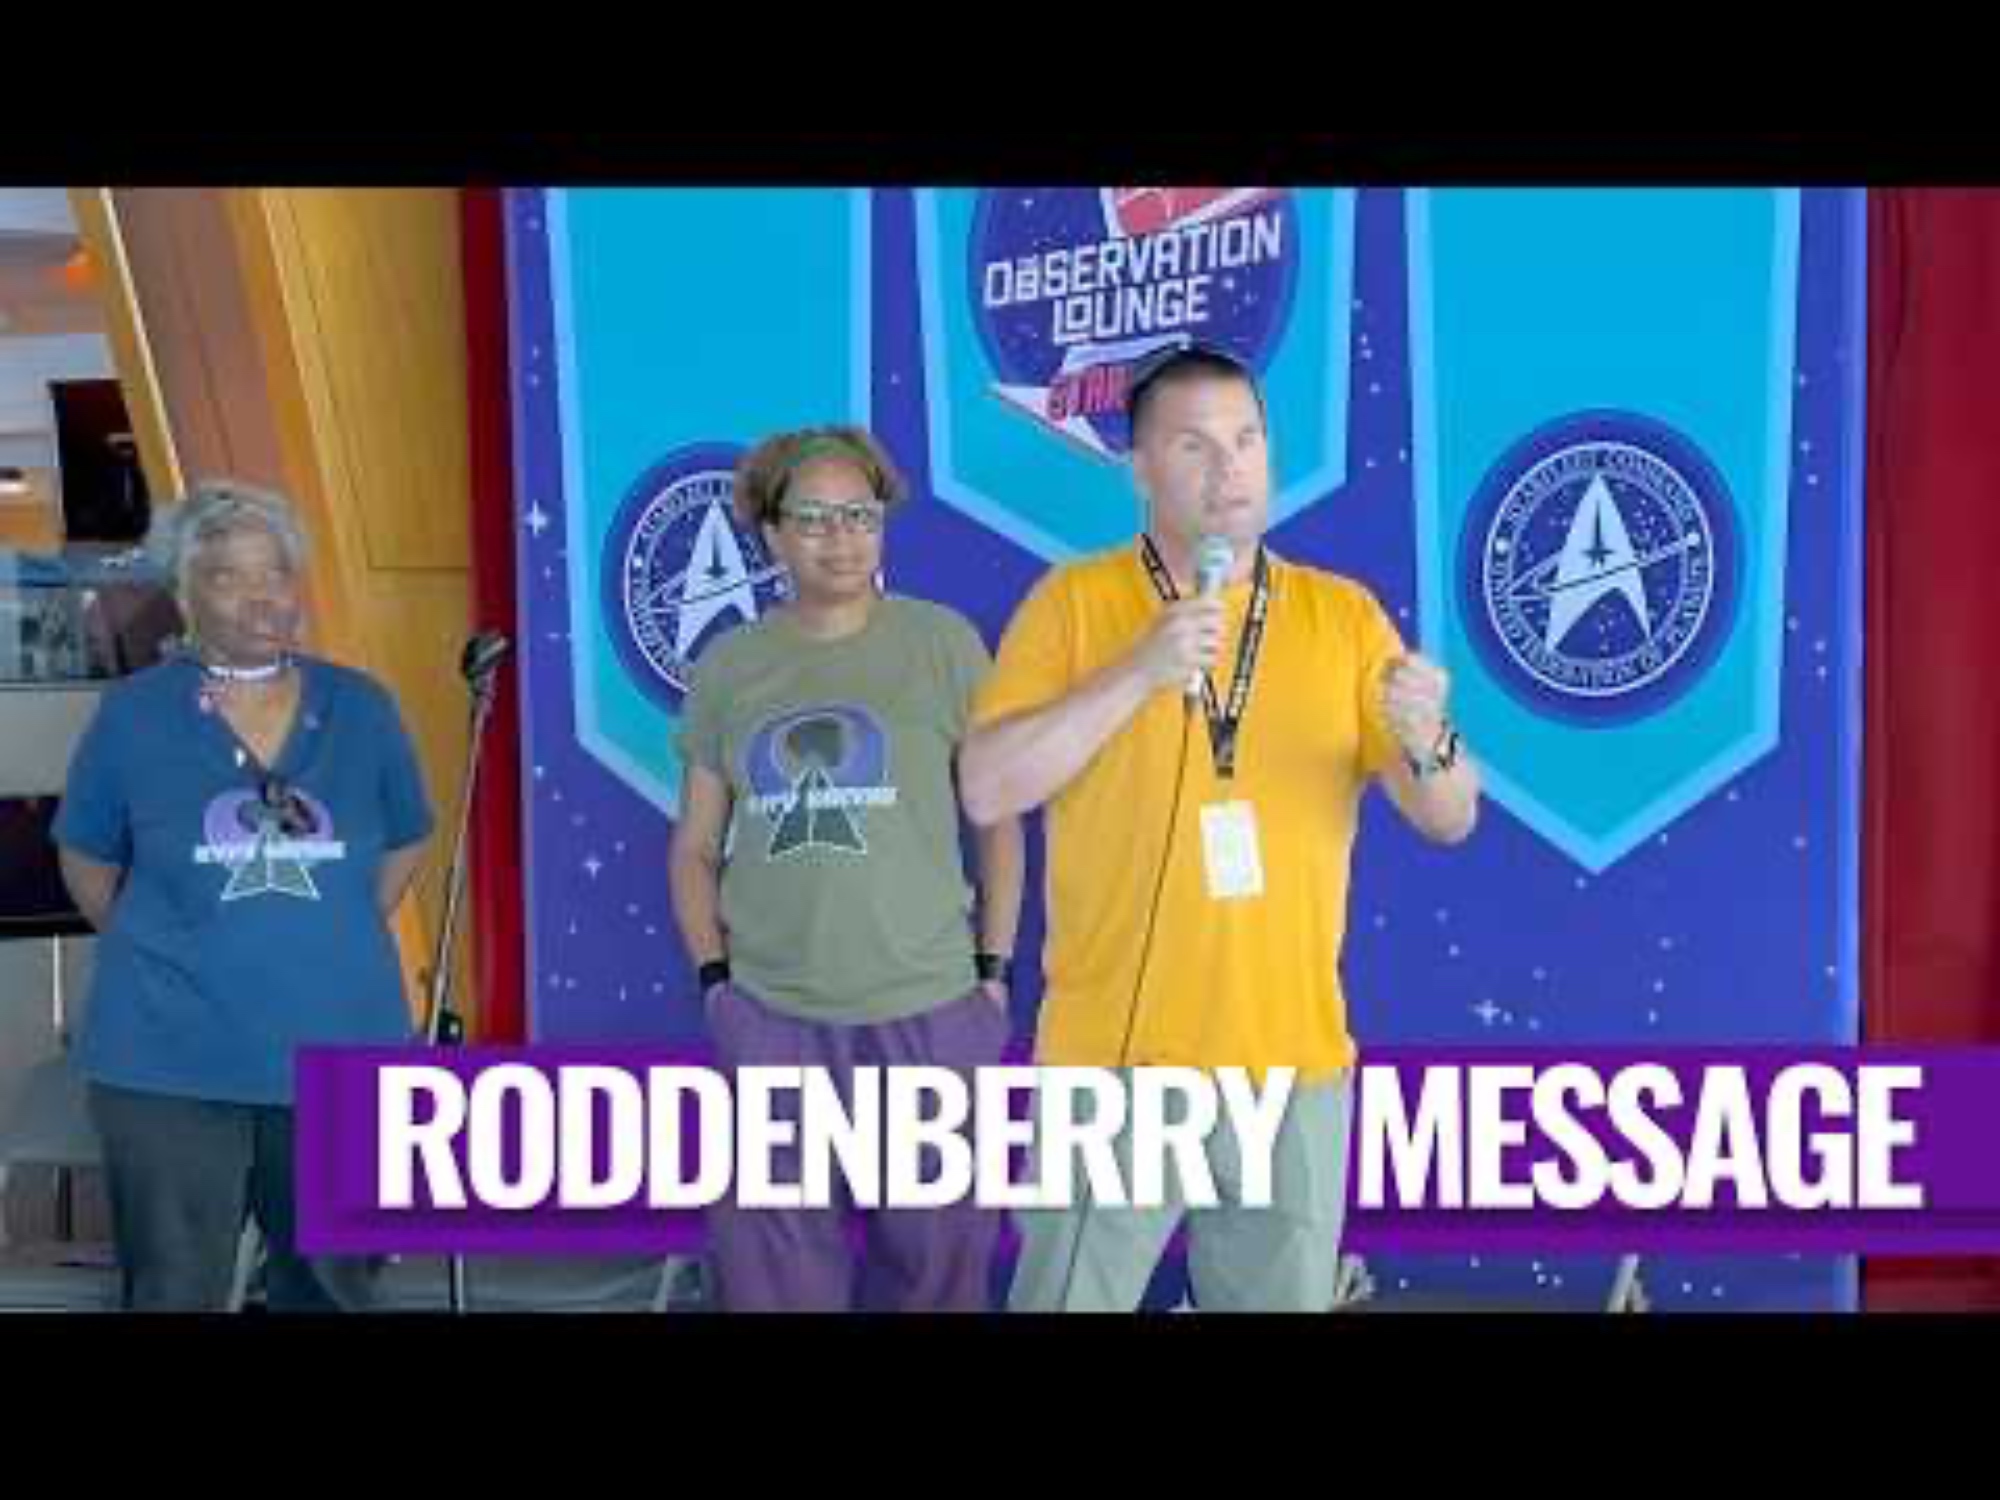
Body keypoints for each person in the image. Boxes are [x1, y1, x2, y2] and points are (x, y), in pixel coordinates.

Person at [959, 345, 1480, 1312]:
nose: (1228, 468)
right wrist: (1135, 672)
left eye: (1246, 440)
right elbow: (988, 788)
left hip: (1295, 1068)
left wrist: (1431, 740)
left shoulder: (1342, 615)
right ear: (1139, 467)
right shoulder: (1076, 603)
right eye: (1193, 445)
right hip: (1118, 1066)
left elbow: (1449, 817)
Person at [668, 426, 1026, 1312]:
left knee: (940, 1272)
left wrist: (991, 975)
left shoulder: (944, 644)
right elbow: (695, 846)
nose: (842, 538)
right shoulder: (730, 666)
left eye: (860, 515)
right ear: (771, 534)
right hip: (773, 1015)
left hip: (932, 1009)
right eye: (815, 518)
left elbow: (997, 821)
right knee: (773, 1279)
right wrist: (718, 985)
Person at [54, 479, 433, 1311]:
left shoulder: (362, 708)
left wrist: (324, 934)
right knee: (174, 1291)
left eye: (277, 572)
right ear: (183, 591)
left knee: (334, 1292)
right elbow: (85, 861)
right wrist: (175, 944)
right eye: (229, 575)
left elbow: (405, 841)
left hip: (341, 1052)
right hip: (168, 1063)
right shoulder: (133, 717)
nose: (262, 595)